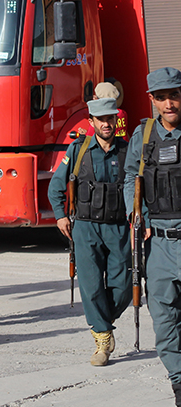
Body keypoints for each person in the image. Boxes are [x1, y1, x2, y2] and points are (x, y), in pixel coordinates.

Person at [48, 97, 130, 366]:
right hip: (85, 227)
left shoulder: (127, 151)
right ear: (92, 122)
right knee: (91, 285)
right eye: (102, 119)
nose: (107, 124)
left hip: (118, 228)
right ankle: (102, 338)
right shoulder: (78, 151)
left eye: (111, 119)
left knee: (123, 286)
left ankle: (102, 318)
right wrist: (60, 217)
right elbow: (55, 187)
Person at [124, 68, 181, 407]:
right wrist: (138, 213)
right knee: (165, 326)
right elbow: (132, 176)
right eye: (161, 96)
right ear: (152, 99)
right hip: (158, 244)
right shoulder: (143, 136)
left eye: (174, 94)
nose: (169, 102)